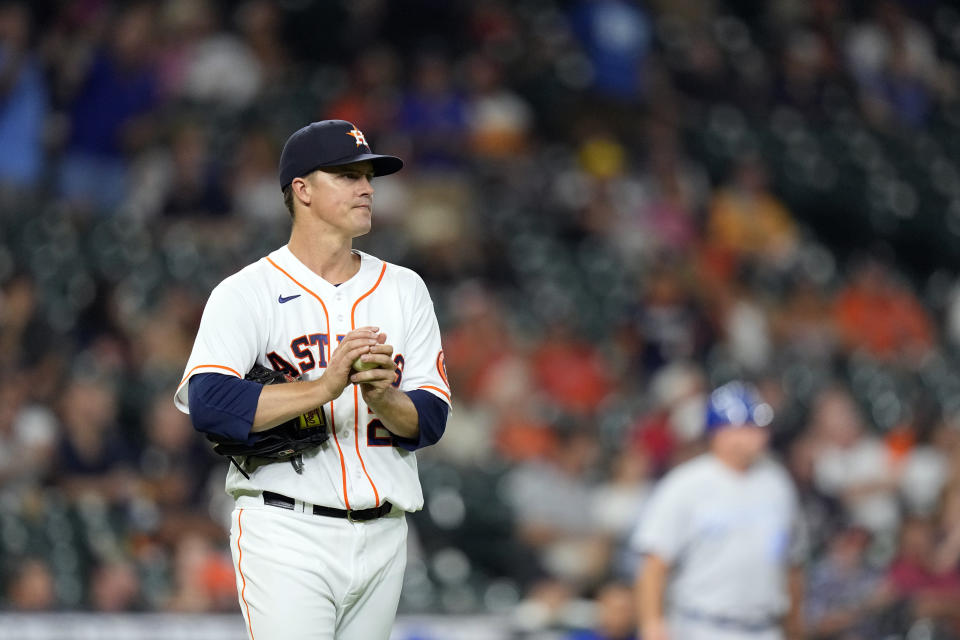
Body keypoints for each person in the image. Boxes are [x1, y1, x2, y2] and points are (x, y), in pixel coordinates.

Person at [173, 120, 452, 640]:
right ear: (301, 189)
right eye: (347, 175)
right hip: (286, 529)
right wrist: (324, 387)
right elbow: (209, 402)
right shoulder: (247, 292)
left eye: (369, 176)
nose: (367, 188)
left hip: (385, 533)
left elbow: (430, 419)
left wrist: (383, 396)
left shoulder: (404, 289)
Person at [632, 381, 806, 640]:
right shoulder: (685, 484)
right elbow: (654, 565)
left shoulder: (777, 483)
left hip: (766, 627)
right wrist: (652, 624)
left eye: (757, 427)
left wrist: (794, 625)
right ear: (719, 433)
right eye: (745, 428)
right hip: (702, 626)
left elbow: (793, 562)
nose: (757, 436)